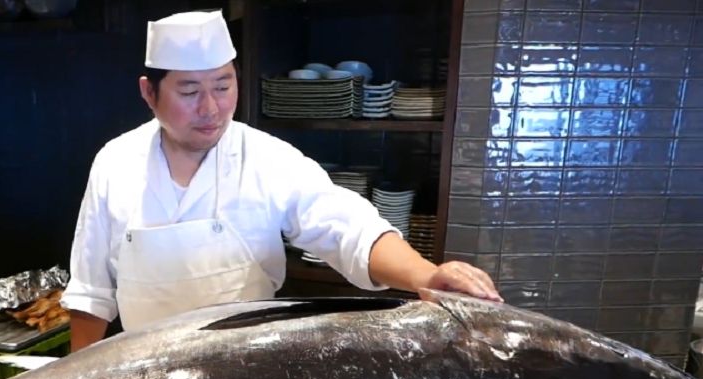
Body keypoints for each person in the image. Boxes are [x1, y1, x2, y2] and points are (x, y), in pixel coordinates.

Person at [61, 10, 501, 352]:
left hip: (249, 371)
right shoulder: (115, 163)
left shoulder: (266, 158)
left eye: (223, 85)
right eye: (190, 92)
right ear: (148, 92)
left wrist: (427, 275)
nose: (212, 109)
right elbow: (91, 292)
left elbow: (346, 226)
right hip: (145, 372)